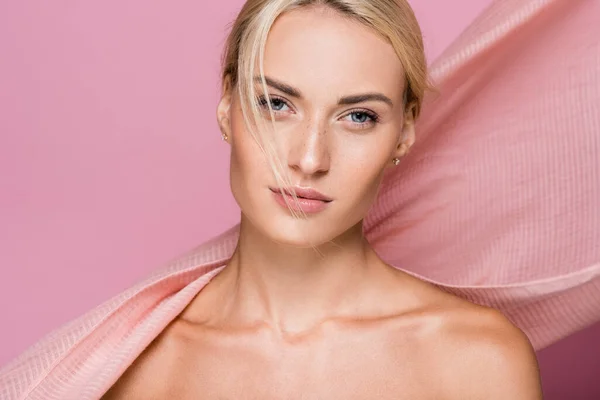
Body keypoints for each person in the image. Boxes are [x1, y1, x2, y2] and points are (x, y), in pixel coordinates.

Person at [1, 0, 598, 399]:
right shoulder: (132, 368)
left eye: (358, 116)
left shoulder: (473, 364)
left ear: (405, 133)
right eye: (277, 104)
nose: (310, 158)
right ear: (227, 104)